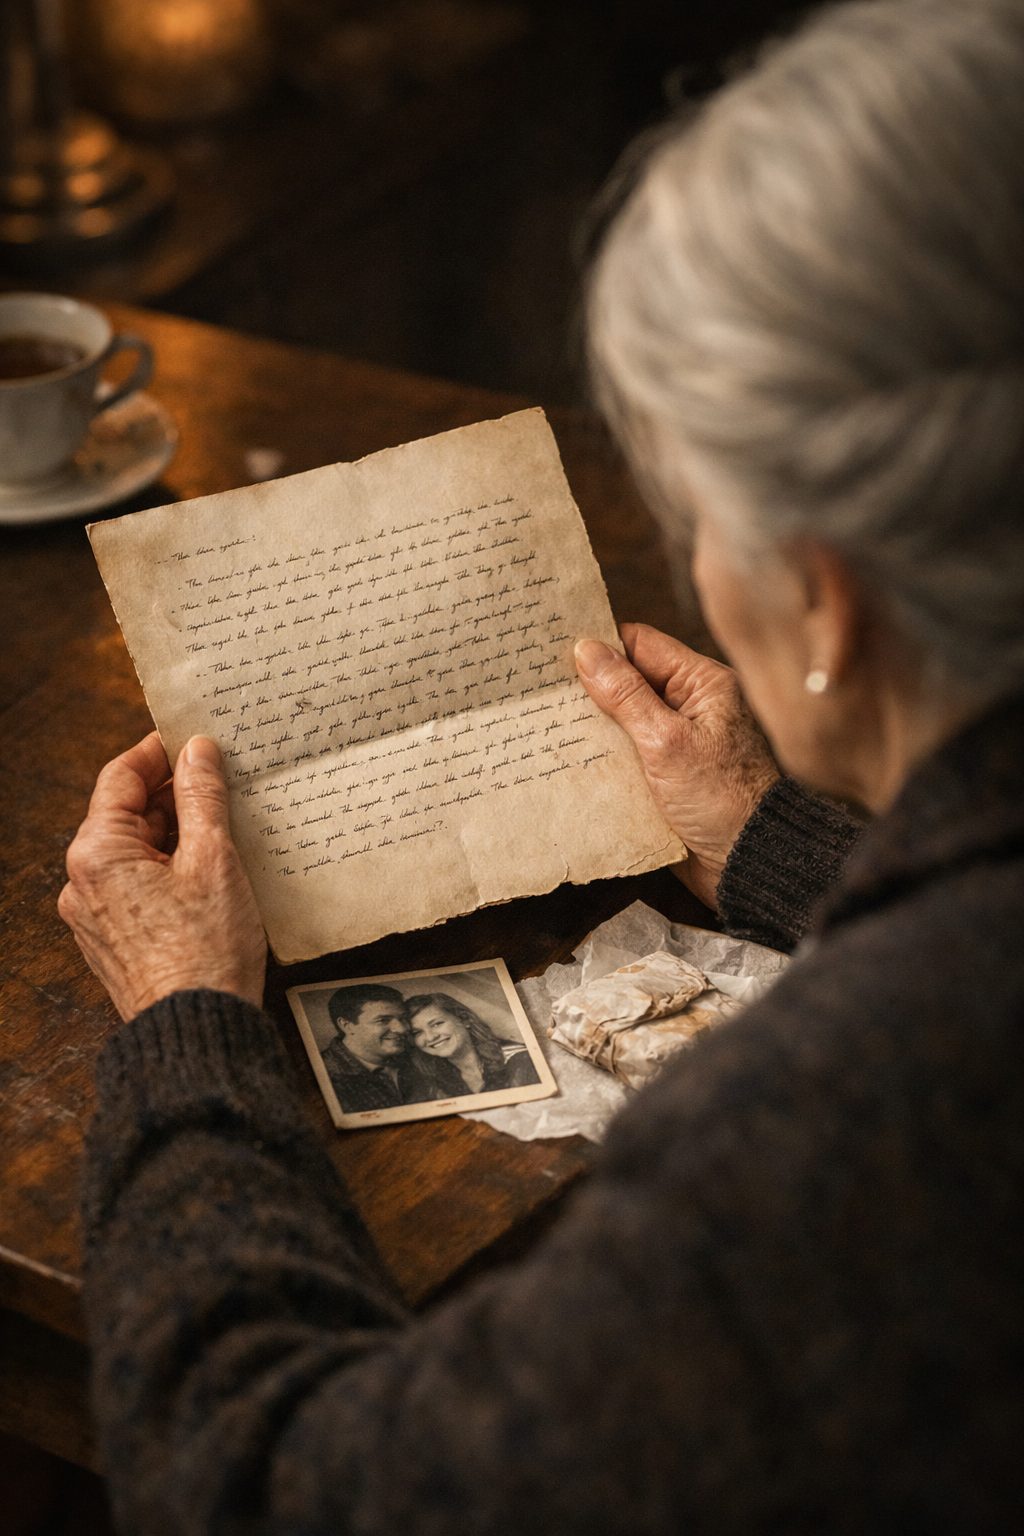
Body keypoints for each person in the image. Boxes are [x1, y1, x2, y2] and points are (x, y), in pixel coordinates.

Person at [58, 1, 1022, 1530]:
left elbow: (270, 1486)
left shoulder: (831, 1135)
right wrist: (773, 849)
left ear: (825, 597)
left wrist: (186, 1027)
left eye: (703, 510)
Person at [320, 983, 443, 1112]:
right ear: (347, 1025)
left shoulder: (420, 1056)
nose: (401, 1029)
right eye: (383, 1020)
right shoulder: (324, 1078)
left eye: (403, 1018)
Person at [405, 991, 539, 1094]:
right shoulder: (431, 1080)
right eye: (417, 1033)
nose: (430, 1037)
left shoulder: (519, 1059)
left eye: (437, 1024)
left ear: (464, 1020)